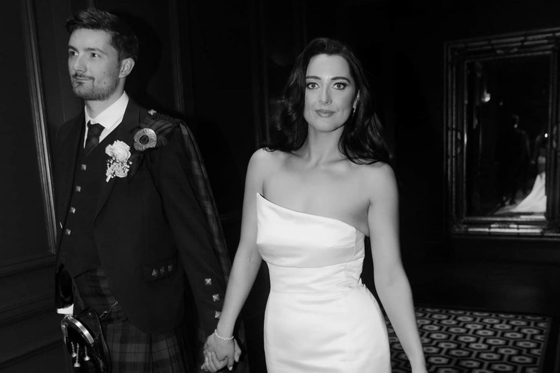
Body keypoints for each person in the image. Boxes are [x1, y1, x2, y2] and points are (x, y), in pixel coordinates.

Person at [201, 38, 426, 372]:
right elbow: (248, 254)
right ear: (300, 94)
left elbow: (391, 277)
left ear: (356, 98)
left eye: (338, 85)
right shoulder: (265, 165)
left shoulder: (374, 177)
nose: (324, 98)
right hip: (282, 340)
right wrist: (224, 332)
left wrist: (418, 364)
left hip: (350, 343)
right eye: (313, 84)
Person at [53, 8, 238, 371]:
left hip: (144, 318)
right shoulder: (65, 135)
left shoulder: (162, 136)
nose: (78, 64)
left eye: (94, 54)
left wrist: (219, 327)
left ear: (124, 67)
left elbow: (198, 239)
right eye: (73, 53)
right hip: (84, 322)